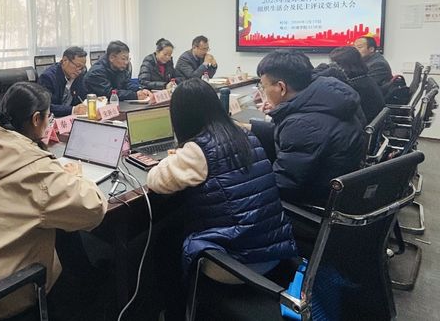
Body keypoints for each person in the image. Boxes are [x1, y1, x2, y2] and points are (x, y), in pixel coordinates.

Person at [0, 82, 107, 321]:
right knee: (63, 230)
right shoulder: (36, 170)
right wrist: (76, 176)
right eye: (48, 117)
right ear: (36, 119)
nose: (48, 122)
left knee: (57, 226)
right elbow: (94, 208)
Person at [147, 78, 296, 318]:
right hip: (275, 250)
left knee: (165, 241)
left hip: (237, 263)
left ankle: (177, 312)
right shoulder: (244, 134)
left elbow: (156, 180)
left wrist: (175, 157)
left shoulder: (198, 150)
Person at [250, 50, 364, 206]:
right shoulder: (328, 99)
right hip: (332, 188)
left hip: (310, 205)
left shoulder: (303, 124)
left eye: (263, 86)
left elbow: (283, 185)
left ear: (281, 87)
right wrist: (250, 127)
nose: (263, 91)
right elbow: (297, 142)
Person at [329, 46, 385, 123]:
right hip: (374, 124)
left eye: (337, 64)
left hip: (364, 126)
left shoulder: (353, 86)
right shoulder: (365, 79)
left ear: (345, 66)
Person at [84, 40, 152, 101]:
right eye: (123, 59)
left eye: (128, 59)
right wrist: (134, 95)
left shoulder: (120, 68)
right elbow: (109, 93)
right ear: (112, 58)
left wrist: (140, 90)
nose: (126, 62)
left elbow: (127, 84)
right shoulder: (96, 72)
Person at [38, 46, 89, 117]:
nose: (79, 71)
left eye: (82, 68)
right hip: (54, 119)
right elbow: (46, 107)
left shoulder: (79, 74)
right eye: (77, 66)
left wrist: (92, 100)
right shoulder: (48, 77)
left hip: (72, 117)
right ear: (65, 60)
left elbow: (82, 97)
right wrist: (73, 109)